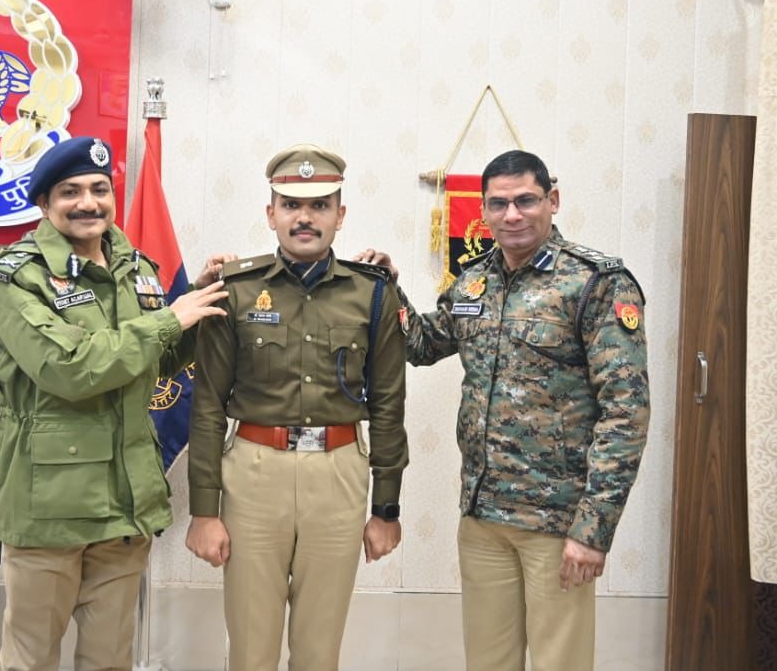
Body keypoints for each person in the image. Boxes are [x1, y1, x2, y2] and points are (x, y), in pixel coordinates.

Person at [0, 135, 229, 671]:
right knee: (30, 661)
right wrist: (168, 320)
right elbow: (68, 369)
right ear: (44, 203)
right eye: (71, 192)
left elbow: (158, 361)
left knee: (110, 660)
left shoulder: (136, 267)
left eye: (99, 189)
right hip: (50, 509)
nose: (88, 202)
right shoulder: (15, 278)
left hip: (124, 505)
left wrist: (197, 306)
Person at [397, 149, 649, 671]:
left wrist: (593, 529)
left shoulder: (596, 283)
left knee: (560, 663)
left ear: (552, 200)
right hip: (483, 517)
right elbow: (422, 344)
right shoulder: (473, 281)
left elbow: (625, 413)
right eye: (499, 204)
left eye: (526, 201)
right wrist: (383, 287)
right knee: (487, 662)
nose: (512, 215)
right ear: (483, 211)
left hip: (557, 523)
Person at [185, 144, 409, 671]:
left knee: (319, 650)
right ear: (271, 214)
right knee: (251, 648)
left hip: (339, 475)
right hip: (253, 475)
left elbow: (388, 404)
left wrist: (386, 508)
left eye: (320, 205)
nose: (304, 217)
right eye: (290, 205)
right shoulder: (235, 288)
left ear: (340, 215)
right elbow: (208, 405)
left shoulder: (373, 292)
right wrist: (203, 512)